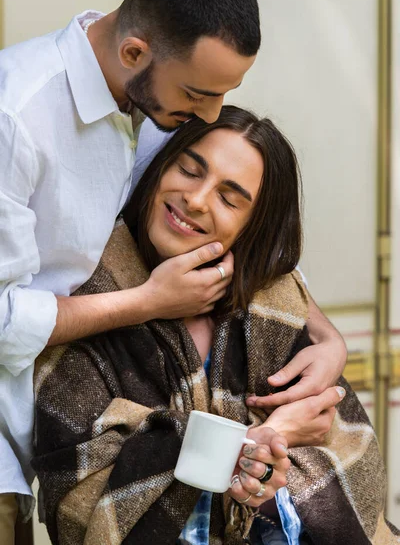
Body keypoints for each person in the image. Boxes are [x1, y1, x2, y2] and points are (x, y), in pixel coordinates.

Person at [0, 0, 345, 541]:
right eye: (196, 93)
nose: (209, 114)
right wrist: (148, 303)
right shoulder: (17, 118)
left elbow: (248, 237)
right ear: (135, 51)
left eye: (223, 92)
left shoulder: (147, 105)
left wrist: (326, 336)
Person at [33, 107, 397, 545]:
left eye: (229, 198)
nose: (197, 199)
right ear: (158, 168)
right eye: (188, 170)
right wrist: (261, 440)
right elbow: (79, 501)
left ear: (251, 227)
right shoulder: (84, 301)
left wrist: (260, 484)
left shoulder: (276, 312)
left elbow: (350, 473)